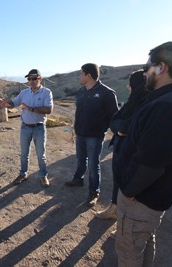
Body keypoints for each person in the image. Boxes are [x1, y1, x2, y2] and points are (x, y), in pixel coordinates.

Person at [114, 41, 172, 266]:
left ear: (161, 68)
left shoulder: (166, 107)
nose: (144, 72)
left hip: (140, 201)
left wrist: (128, 191)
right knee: (142, 247)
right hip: (149, 201)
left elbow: (151, 164)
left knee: (128, 253)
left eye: (146, 66)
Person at [95, 70, 148, 221]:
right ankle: (114, 209)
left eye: (130, 84)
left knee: (127, 184)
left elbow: (124, 127)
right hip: (121, 147)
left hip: (131, 151)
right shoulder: (132, 102)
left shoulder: (146, 103)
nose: (127, 87)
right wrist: (120, 128)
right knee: (118, 179)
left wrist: (121, 128)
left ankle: (124, 221)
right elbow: (115, 121)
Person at [65, 63, 118, 207]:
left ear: (88, 75)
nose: (79, 76)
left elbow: (114, 116)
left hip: (95, 136)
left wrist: (111, 132)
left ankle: (94, 192)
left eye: (81, 74)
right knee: (81, 159)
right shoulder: (81, 92)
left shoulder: (107, 93)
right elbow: (78, 112)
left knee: (94, 165)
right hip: (80, 133)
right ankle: (78, 179)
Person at [0, 69, 53, 187]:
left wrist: (31, 108)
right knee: (24, 153)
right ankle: (23, 174)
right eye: (29, 79)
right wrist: (6, 104)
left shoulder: (46, 92)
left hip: (39, 127)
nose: (31, 81)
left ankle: (43, 175)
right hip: (25, 127)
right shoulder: (24, 93)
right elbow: (14, 103)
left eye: (34, 78)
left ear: (40, 79)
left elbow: (48, 110)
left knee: (41, 154)